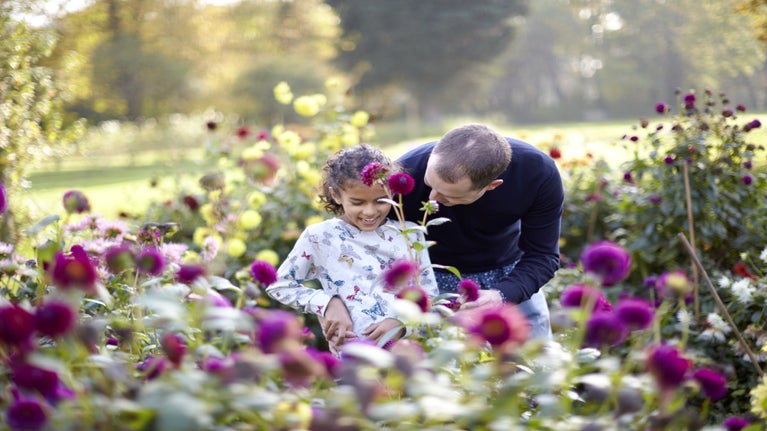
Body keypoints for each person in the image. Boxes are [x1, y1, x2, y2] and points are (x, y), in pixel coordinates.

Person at [396, 123, 564, 339]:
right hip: (432, 279)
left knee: (538, 364)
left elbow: (543, 256)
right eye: (430, 184)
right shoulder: (404, 174)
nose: (432, 199)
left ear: (492, 186)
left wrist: (500, 295)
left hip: (510, 275)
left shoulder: (537, 173)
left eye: (449, 196)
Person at [267, 144, 438, 353]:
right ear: (336, 195)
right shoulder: (320, 237)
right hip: (354, 358)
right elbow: (279, 285)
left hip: (409, 355)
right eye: (357, 202)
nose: (369, 211)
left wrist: (402, 325)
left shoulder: (411, 235)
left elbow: (430, 297)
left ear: (392, 193)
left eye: (380, 200)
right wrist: (327, 303)